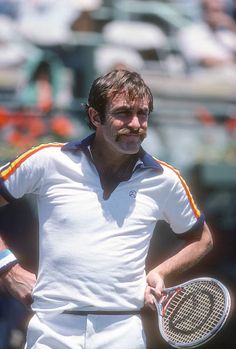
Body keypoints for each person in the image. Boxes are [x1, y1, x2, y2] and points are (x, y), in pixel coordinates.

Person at [0, 69, 213, 349]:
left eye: (143, 114)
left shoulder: (166, 180)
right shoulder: (47, 160)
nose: (136, 124)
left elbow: (202, 239)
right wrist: (7, 268)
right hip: (51, 330)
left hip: (123, 332)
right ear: (94, 116)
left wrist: (160, 272)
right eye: (123, 113)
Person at [177, 0, 236, 73]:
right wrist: (230, 61)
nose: (220, 15)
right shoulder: (190, 32)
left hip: (229, 77)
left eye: (222, 11)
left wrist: (233, 28)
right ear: (204, 11)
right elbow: (204, 61)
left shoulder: (227, 35)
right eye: (215, 10)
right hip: (205, 78)